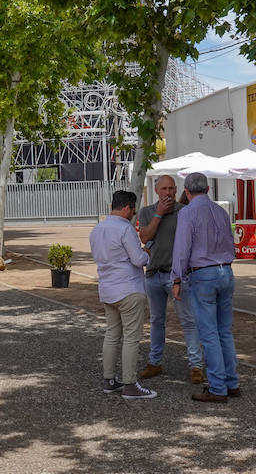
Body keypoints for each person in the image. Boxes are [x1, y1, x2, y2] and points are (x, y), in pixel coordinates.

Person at [172, 172, 240, 403]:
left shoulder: (187, 212)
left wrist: (177, 278)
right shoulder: (221, 212)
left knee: (209, 333)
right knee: (224, 331)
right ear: (208, 189)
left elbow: (182, 248)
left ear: (187, 192)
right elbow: (231, 240)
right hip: (226, 270)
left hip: (203, 274)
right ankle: (232, 382)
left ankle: (218, 387)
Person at [137, 175, 206, 384]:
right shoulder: (147, 211)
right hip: (153, 274)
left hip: (177, 276)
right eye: (164, 189)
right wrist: (159, 214)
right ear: (156, 190)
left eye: (171, 189)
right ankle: (154, 362)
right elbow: (145, 237)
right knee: (156, 321)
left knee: (188, 320)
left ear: (177, 190)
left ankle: (196, 365)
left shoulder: (184, 212)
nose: (168, 193)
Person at [89, 189, 156, 399]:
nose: (134, 213)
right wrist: (147, 254)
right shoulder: (125, 229)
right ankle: (130, 383)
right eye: (133, 209)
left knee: (111, 335)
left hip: (107, 289)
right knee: (131, 338)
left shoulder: (97, 229)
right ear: (127, 208)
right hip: (128, 289)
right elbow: (138, 259)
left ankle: (109, 379)